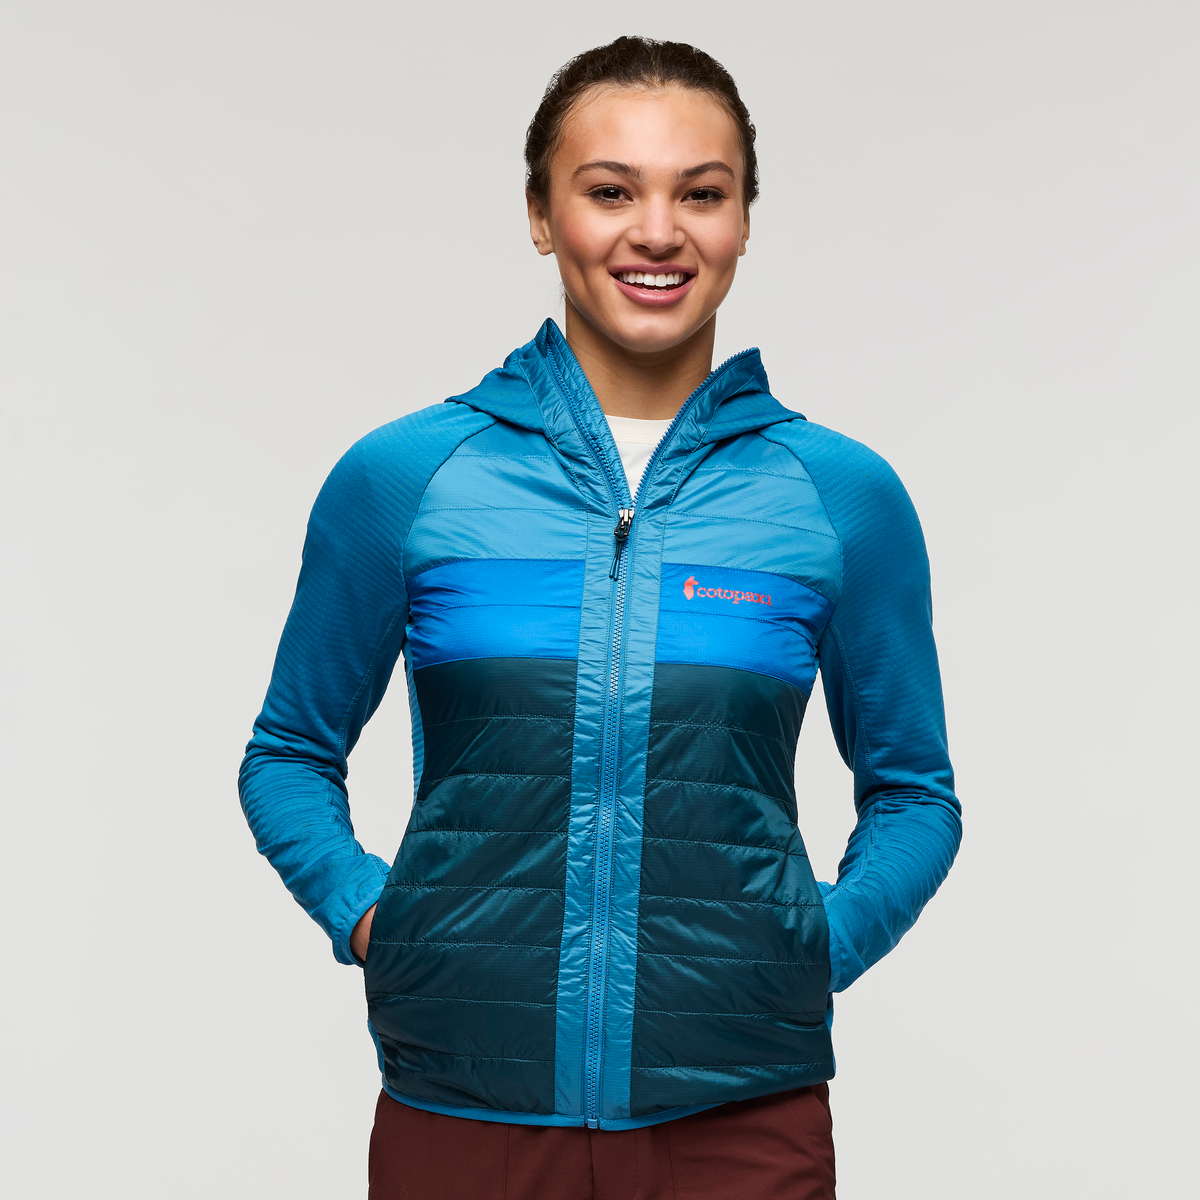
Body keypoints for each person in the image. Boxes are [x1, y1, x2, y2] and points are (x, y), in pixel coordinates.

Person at [239, 35, 961, 1200]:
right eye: (611, 191)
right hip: (464, 1114)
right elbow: (287, 753)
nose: (658, 232)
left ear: (745, 220)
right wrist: (378, 919)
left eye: (702, 194)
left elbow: (915, 791)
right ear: (541, 215)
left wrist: (814, 949)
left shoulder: (837, 499)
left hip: (742, 1120)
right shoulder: (409, 479)